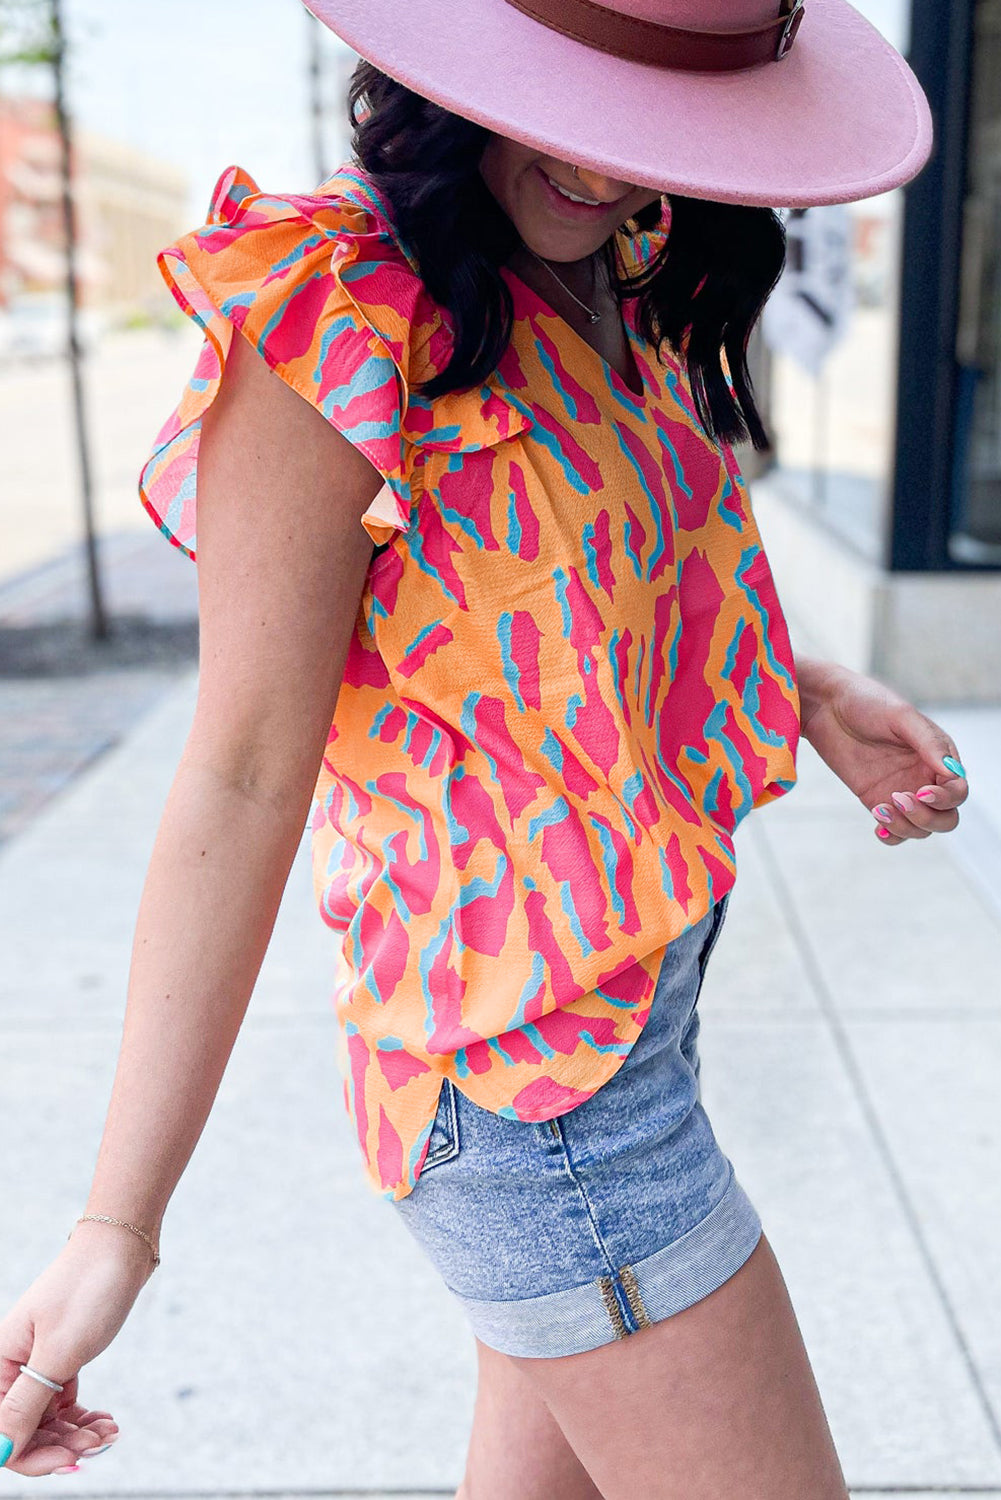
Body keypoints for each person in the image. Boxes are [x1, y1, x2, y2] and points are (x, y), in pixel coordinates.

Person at [0, 1, 968, 1495]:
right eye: (572, 96)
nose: (604, 165)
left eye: (654, 120)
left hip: (629, 1025)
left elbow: (563, 610)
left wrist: (797, 685)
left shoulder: (609, 267)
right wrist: (116, 1229)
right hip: (541, 1096)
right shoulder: (341, 303)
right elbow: (245, 769)